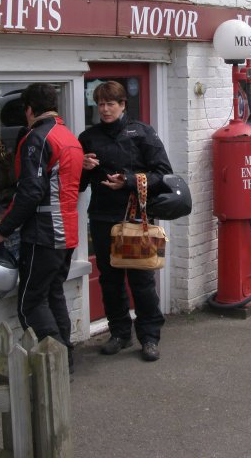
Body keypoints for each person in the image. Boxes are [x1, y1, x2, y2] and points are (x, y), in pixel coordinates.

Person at [0, 83, 83, 371]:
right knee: (53, 296)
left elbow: (30, 192)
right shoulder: (68, 136)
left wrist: (2, 230)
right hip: (66, 232)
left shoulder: (37, 138)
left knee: (30, 305)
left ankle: (56, 365)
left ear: (28, 109)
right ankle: (66, 362)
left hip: (44, 233)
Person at [79, 81, 173, 362]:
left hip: (135, 217)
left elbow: (163, 174)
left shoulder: (142, 133)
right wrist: (83, 168)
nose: (105, 109)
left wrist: (129, 181)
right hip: (102, 218)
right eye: (101, 104)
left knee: (141, 279)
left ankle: (150, 337)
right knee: (110, 280)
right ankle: (119, 333)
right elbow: (78, 185)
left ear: (123, 105)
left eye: (111, 104)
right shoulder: (89, 137)